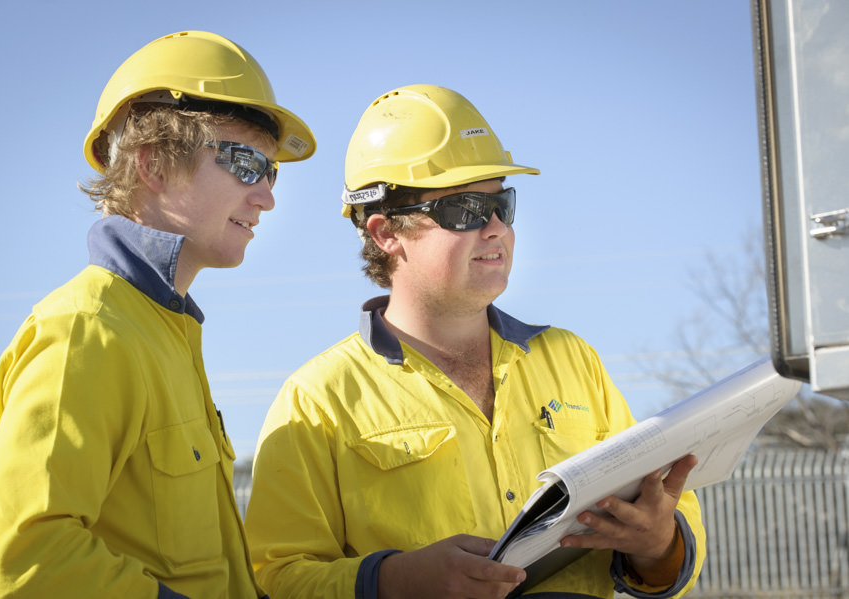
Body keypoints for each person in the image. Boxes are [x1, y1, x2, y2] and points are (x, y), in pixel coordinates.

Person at [245, 84, 706, 599]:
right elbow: (276, 577)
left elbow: (667, 527)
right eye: (464, 209)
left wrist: (660, 543)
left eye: (501, 204)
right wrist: (393, 581)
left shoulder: (574, 360)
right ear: (384, 233)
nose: (495, 228)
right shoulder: (319, 399)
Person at [0, 30, 315, 599]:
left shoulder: (164, 333)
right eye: (245, 163)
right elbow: (31, 560)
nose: (267, 196)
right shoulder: (86, 331)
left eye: (272, 171)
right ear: (154, 164)